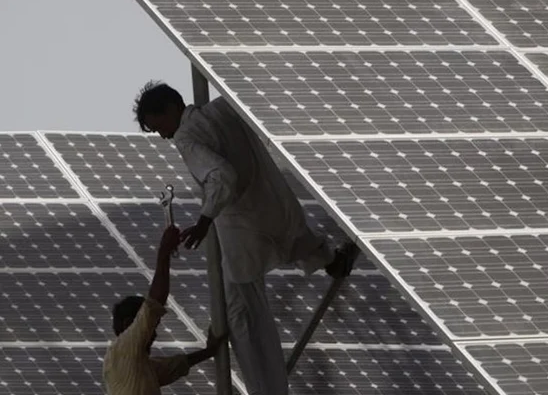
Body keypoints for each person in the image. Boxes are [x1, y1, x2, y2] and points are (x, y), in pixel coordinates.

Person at [132, 81, 360, 395]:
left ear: (171, 109)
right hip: (278, 210)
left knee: (243, 318)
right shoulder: (224, 109)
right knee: (296, 242)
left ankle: (266, 390)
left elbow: (222, 176)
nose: (163, 135)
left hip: (242, 235)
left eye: (159, 126)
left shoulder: (186, 137)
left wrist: (204, 221)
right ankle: (332, 260)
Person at [103, 226, 227, 395]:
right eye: (152, 327)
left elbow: (173, 366)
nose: (155, 335)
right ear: (129, 323)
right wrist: (164, 251)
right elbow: (156, 300)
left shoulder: (132, 364)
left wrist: (208, 352)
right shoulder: (123, 348)